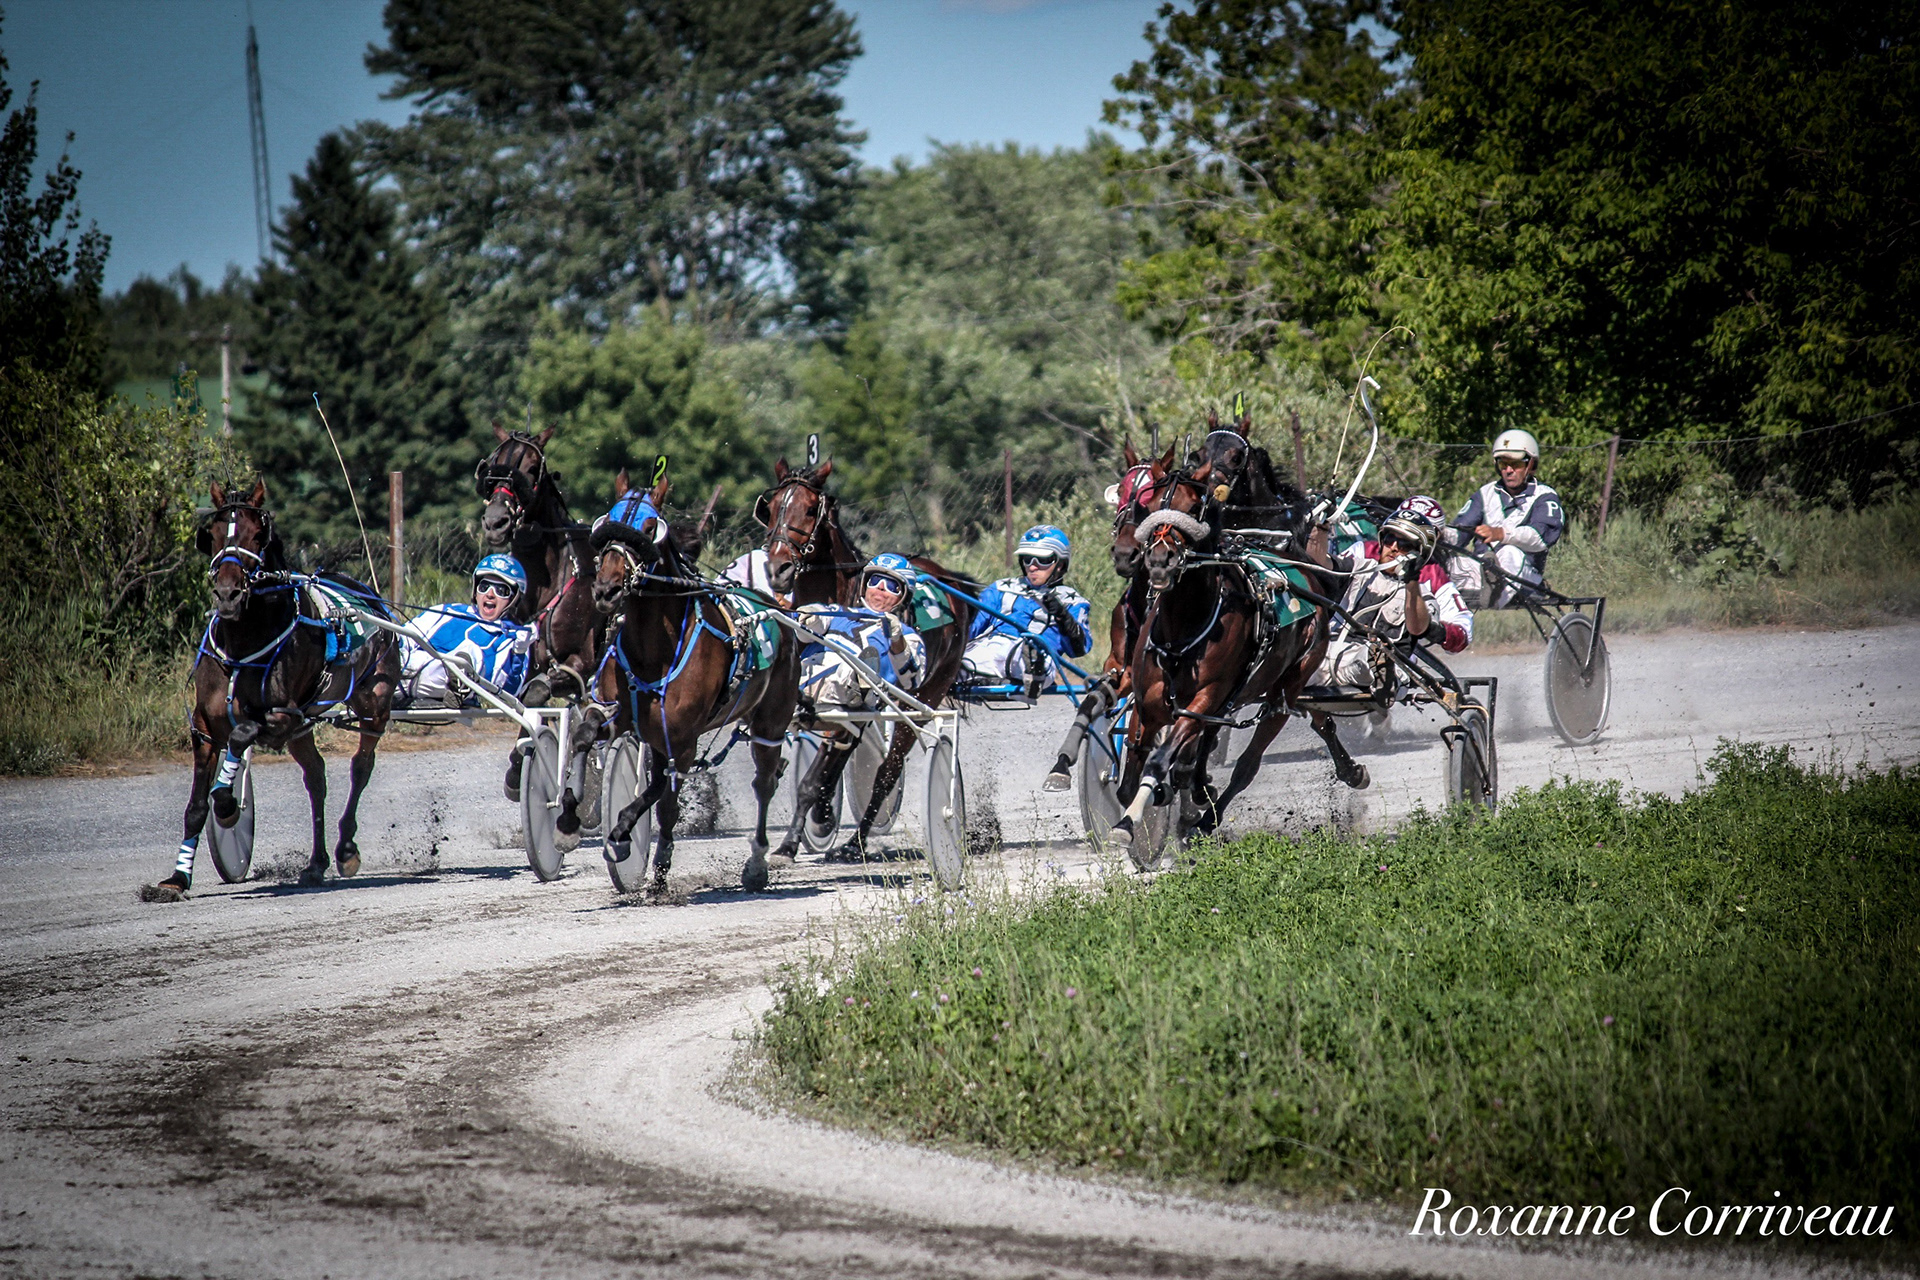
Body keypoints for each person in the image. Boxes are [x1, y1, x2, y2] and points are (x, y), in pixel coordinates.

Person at [1317, 497, 1475, 733]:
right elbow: (1319, 566)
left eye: (1406, 544)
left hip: (1387, 656)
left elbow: (1461, 632)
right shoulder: (1361, 557)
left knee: (1370, 659)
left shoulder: (1431, 582)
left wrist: (1433, 629)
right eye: (1391, 538)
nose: (1393, 548)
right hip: (1334, 648)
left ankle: (1379, 674)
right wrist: (1319, 525)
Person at [961, 525, 1093, 699]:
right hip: (990, 649)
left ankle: (1032, 669)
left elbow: (1079, 650)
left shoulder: (1073, 601)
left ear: (1060, 564)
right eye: (1027, 559)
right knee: (956, 661)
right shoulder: (1000, 589)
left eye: (1042, 560)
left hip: (1038, 655)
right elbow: (973, 628)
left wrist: (1063, 616)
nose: (1032, 567)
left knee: (1033, 656)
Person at [795, 553, 928, 714]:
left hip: (858, 695)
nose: (880, 587)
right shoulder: (837, 611)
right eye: (875, 581)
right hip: (805, 682)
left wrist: (896, 638)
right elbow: (805, 634)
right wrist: (810, 614)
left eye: (891, 586)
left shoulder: (907, 635)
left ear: (903, 596)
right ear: (865, 585)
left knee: (853, 668)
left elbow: (912, 681)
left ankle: (860, 684)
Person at [1444, 429, 1564, 607]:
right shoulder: (1485, 493)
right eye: (1503, 464)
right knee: (1442, 560)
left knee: (1509, 552)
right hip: (1483, 569)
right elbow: (1457, 534)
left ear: (1531, 465)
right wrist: (1437, 535)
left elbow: (1539, 538)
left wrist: (1501, 534)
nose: (1508, 471)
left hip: (1525, 576)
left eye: (1515, 464)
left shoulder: (1545, 496)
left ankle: (1493, 593)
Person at [398, 553, 535, 708]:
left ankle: (458, 685)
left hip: (440, 683)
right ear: (476, 592)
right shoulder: (447, 611)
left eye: (501, 591)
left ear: (513, 599)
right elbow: (405, 638)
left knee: (470, 652)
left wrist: (519, 653)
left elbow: (509, 692)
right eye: (484, 587)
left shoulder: (513, 638)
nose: (490, 594)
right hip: (402, 672)